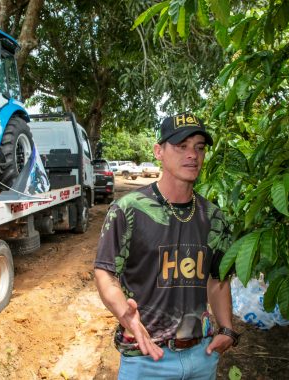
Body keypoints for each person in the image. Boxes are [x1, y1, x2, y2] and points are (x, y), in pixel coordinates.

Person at [94, 112, 239, 379]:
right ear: (159, 151)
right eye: (181, 146)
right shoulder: (129, 210)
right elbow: (105, 272)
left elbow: (218, 280)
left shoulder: (214, 217)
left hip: (202, 356)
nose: (192, 155)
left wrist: (227, 329)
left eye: (199, 147)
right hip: (146, 358)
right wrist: (126, 315)